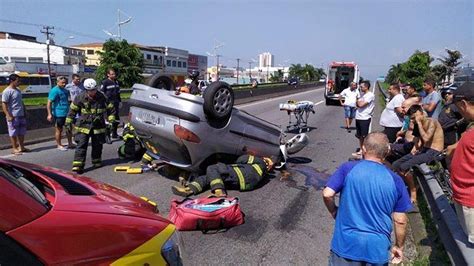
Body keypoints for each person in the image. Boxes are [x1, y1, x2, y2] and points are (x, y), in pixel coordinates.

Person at [323, 132, 412, 265]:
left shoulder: (348, 169)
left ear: (364, 149)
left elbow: (327, 194)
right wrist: (399, 246)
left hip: (346, 244)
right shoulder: (396, 180)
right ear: (387, 151)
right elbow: (400, 220)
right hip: (377, 249)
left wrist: (334, 211)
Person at [392, 105, 444, 203]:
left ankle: (413, 191)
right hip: (424, 149)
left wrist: (419, 122)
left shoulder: (432, 121)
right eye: (411, 119)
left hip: (434, 150)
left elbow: (426, 138)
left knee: (404, 167)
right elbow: (417, 139)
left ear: (420, 112)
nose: (413, 121)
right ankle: (407, 186)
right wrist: (415, 148)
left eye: (413, 118)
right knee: (396, 164)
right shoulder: (416, 123)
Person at [65, 78, 115, 174]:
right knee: (81, 145)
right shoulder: (80, 97)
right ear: (86, 89)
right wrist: (68, 122)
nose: (92, 92)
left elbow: (111, 109)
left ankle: (96, 161)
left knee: (98, 145)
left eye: (94, 90)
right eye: (90, 90)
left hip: (98, 125)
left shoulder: (102, 97)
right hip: (84, 125)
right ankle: (78, 165)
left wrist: (111, 121)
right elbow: (72, 110)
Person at [171, 155, 274, 197]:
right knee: (210, 177)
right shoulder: (264, 175)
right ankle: (189, 189)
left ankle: (219, 192)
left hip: (238, 175)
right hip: (242, 184)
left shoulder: (260, 161)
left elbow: (241, 159)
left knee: (212, 168)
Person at [450, 82, 474, 244]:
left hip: (470, 201)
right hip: (464, 198)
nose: (459, 112)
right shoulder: (471, 127)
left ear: (464, 104)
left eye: (459, 108)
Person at [1, 74, 29, 155]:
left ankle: (22, 147)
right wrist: (8, 115)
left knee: (22, 131)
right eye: (18, 81)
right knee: (13, 132)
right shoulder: (7, 91)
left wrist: (24, 110)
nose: (19, 82)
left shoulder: (18, 90)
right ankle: (14, 148)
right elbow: (4, 104)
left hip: (21, 114)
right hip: (13, 115)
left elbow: (21, 101)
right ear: (11, 81)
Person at [47, 76, 74, 150]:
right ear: (57, 82)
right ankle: (59, 144)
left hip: (66, 112)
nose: (64, 84)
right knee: (59, 129)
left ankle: (70, 143)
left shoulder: (65, 90)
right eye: (62, 83)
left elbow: (68, 100)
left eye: (65, 83)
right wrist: (49, 114)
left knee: (69, 128)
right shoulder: (54, 91)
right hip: (59, 113)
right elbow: (49, 102)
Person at [353, 80, 374, 157]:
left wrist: (357, 101)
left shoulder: (370, 95)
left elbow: (361, 104)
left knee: (364, 136)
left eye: (361, 87)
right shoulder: (363, 95)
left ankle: (365, 151)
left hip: (365, 117)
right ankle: (362, 150)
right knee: (360, 136)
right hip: (359, 117)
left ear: (366, 87)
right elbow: (358, 104)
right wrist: (358, 102)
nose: (360, 88)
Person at [100, 68, 121, 139]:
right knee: (109, 121)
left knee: (116, 120)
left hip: (116, 103)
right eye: (112, 74)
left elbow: (118, 93)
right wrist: (105, 103)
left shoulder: (116, 82)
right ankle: (107, 136)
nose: (114, 75)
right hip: (108, 104)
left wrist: (120, 101)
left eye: (114, 74)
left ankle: (114, 134)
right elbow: (102, 93)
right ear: (108, 74)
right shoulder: (105, 82)